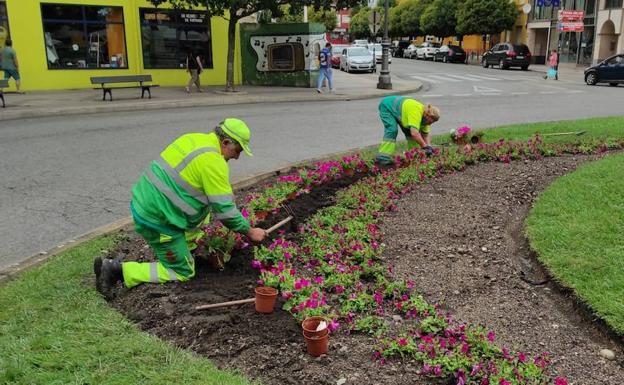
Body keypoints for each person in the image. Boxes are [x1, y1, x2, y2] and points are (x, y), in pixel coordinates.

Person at [94, 118, 268, 298]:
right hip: (158, 219)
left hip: (148, 202)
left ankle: (187, 248)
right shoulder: (213, 161)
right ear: (225, 142)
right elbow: (225, 212)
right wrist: (250, 231)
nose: (237, 157)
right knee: (182, 272)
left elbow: (193, 181)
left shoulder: (193, 139)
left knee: (200, 209)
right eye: (237, 150)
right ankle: (117, 270)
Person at [375, 96, 440, 165]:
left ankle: (414, 155)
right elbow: (414, 133)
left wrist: (429, 147)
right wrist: (424, 146)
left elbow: (426, 134)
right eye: (431, 122)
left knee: (409, 133)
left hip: (400, 111)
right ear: (428, 116)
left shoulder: (425, 118)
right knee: (392, 129)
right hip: (387, 106)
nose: (430, 124)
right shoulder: (416, 112)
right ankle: (383, 157)